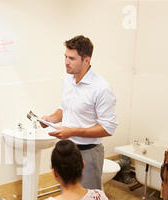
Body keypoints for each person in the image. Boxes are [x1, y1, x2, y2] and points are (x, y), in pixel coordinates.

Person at [41, 35, 118, 190]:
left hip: (88, 153)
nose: (66, 62)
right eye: (65, 57)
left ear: (86, 60)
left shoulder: (101, 88)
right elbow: (65, 108)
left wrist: (72, 131)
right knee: (68, 197)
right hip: (67, 150)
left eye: (72, 58)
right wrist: (51, 118)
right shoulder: (68, 80)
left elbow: (108, 128)